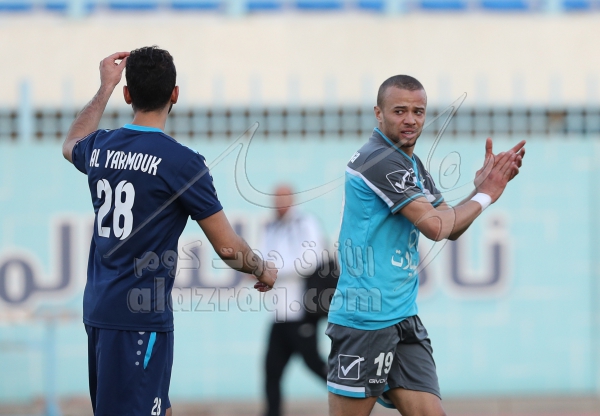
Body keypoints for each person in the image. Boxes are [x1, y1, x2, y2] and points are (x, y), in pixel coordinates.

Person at [61, 47, 277, 416]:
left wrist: (104, 87)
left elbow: (70, 144)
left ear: (127, 94)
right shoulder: (181, 162)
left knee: (157, 408)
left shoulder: (100, 147)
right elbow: (228, 248)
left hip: (99, 308)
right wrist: (261, 268)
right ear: (175, 94)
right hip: (138, 318)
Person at [326, 75, 525, 416]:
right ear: (378, 113)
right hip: (366, 320)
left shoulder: (410, 163)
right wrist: (486, 194)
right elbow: (435, 227)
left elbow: (450, 226)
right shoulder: (378, 160)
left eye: (418, 111)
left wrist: (478, 191)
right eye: (399, 111)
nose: (410, 120)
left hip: (403, 317)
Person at [260, 185, 328, 416]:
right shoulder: (271, 228)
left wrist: (274, 270)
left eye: (284, 197)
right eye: (276, 198)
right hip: (279, 314)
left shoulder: (305, 223)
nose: (279, 203)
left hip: (301, 311)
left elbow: (310, 260)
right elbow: (262, 261)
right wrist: (260, 271)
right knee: (271, 370)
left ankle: (354, 400)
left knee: (314, 364)